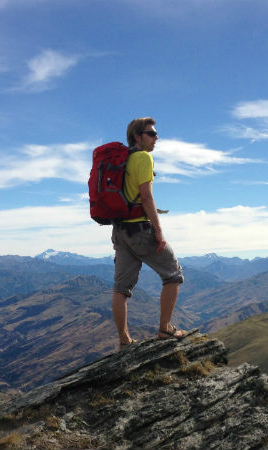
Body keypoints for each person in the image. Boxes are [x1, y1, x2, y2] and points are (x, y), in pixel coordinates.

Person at [112, 117, 186, 350]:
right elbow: (146, 196)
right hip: (140, 230)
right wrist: (158, 231)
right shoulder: (144, 158)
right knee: (173, 274)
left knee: (121, 288)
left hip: (120, 230)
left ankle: (124, 341)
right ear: (137, 136)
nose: (156, 138)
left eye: (156, 134)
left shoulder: (122, 161)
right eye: (151, 134)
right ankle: (165, 329)